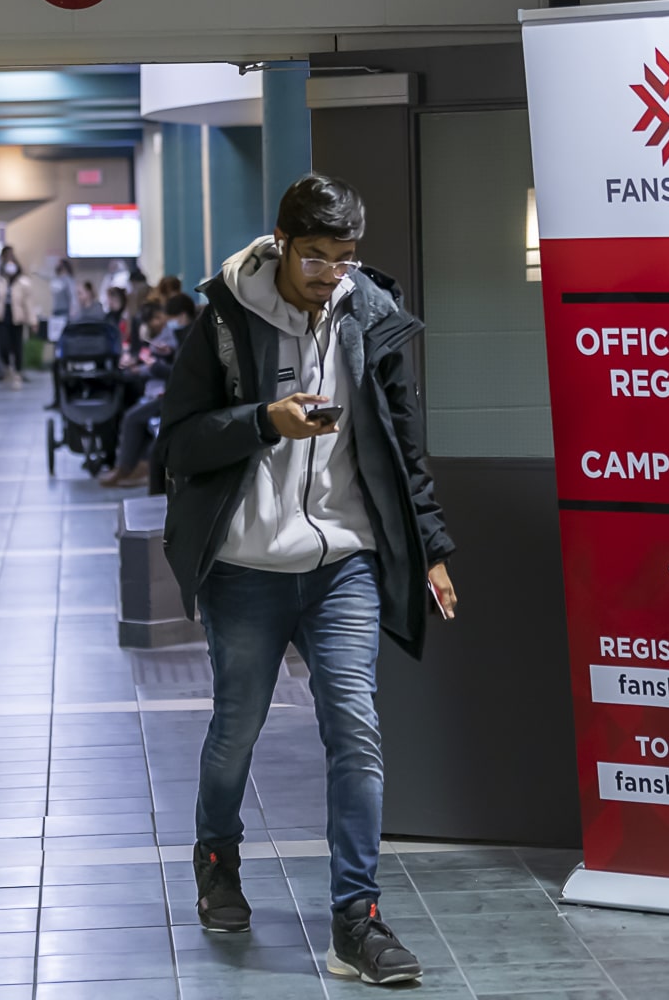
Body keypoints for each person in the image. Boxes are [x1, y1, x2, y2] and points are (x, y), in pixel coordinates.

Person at [157, 173, 458, 985]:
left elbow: (402, 443)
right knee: (237, 728)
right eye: (316, 257)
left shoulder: (368, 316)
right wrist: (265, 421)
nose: (331, 274)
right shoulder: (223, 317)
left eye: (345, 258)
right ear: (283, 244)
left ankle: (356, 920)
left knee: (354, 726)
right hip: (247, 567)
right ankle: (217, 857)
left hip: (343, 565)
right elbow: (176, 443)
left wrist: (428, 547)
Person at [99, 293, 195, 488]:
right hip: (171, 393)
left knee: (134, 417)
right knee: (134, 416)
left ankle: (131, 468)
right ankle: (127, 467)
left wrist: (155, 366)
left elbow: (181, 373)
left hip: (177, 397)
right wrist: (165, 355)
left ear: (182, 316)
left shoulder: (190, 337)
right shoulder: (184, 335)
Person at [0, 247, 39, 388]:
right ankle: (7, 369)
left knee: (17, 346)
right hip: (2, 317)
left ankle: (18, 372)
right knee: (3, 345)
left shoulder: (23, 282)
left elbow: (28, 303)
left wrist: (33, 321)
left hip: (17, 318)